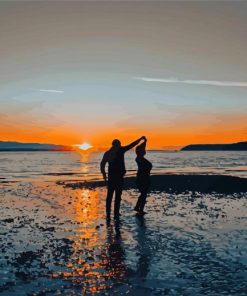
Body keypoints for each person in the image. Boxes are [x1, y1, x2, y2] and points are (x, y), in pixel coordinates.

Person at [100, 136, 146, 220]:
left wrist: (104, 174)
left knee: (114, 196)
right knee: (113, 196)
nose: (119, 146)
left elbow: (102, 164)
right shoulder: (116, 151)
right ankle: (112, 213)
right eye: (119, 145)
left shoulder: (109, 152)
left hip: (115, 178)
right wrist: (104, 174)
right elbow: (102, 164)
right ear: (116, 145)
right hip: (115, 178)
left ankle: (113, 213)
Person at [134, 138, 152, 215]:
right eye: (143, 150)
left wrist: (145, 142)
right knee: (144, 194)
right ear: (141, 151)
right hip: (142, 178)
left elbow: (141, 148)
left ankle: (139, 208)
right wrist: (144, 142)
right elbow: (141, 148)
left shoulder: (140, 158)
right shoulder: (139, 158)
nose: (145, 150)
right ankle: (138, 208)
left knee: (144, 194)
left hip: (145, 177)